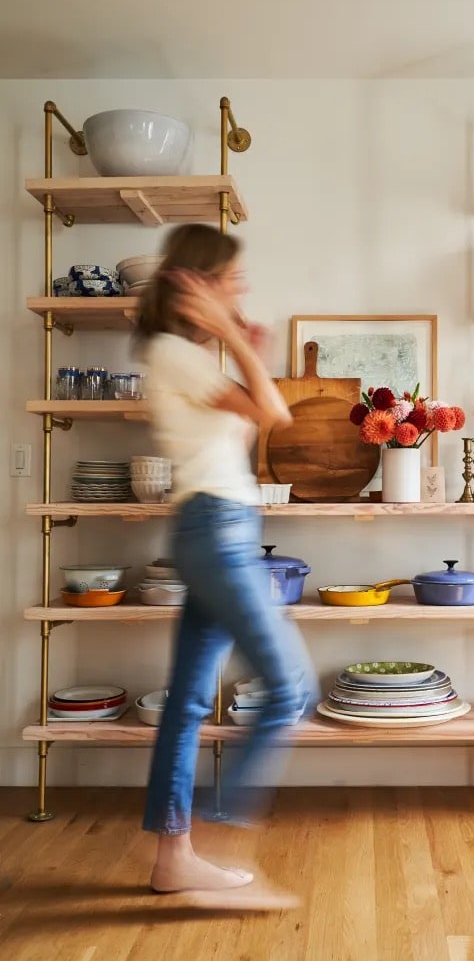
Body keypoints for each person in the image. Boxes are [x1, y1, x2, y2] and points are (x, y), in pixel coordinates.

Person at [134, 223, 316, 902]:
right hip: (216, 532)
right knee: (291, 688)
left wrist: (241, 346)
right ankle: (226, 825)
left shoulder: (183, 358)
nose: (241, 291)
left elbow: (241, 426)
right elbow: (276, 413)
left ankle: (174, 858)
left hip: (215, 526)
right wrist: (237, 339)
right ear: (198, 285)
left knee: (184, 704)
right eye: (231, 280)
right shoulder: (176, 353)